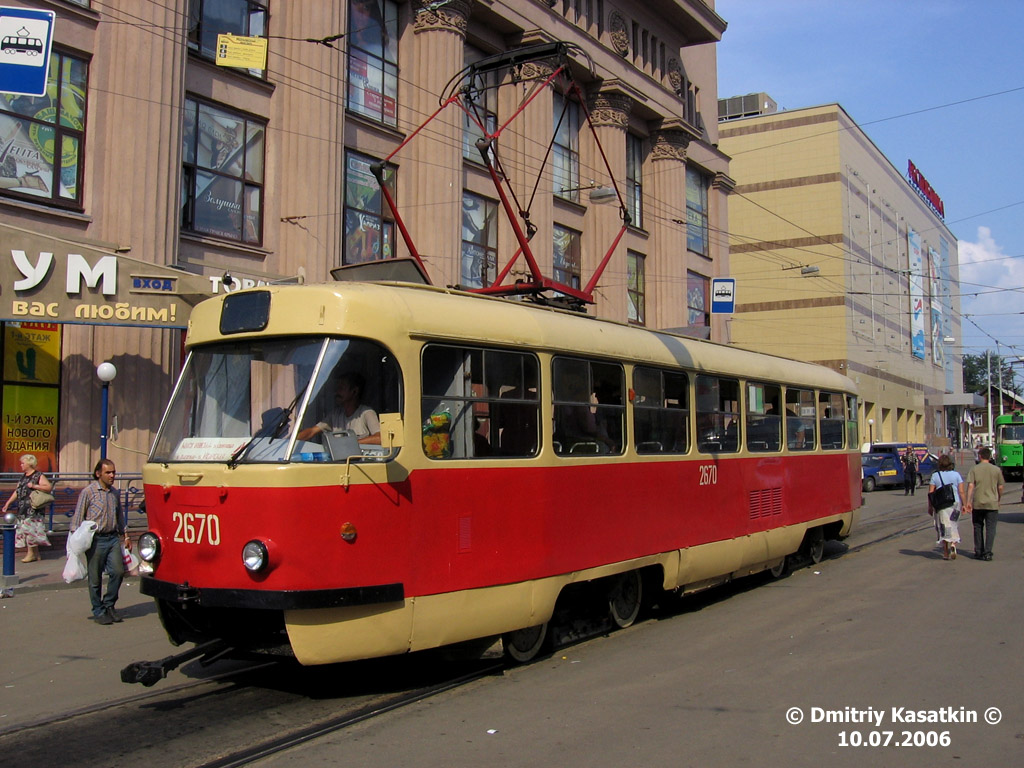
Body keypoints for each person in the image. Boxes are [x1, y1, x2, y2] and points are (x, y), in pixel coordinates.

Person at [70, 459, 129, 625]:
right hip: (95, 539)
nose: (112, 476)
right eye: (108, 473)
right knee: (95, 579)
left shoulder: (114, 493)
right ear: (98, 474)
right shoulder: (88, 492)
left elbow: (120, 517)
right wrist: (74, 542)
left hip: (112, 539)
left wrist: (125, 536)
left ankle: (109, 604)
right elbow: (77, 517)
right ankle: (98, 610)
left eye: (113, 472)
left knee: (118, 572)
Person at [297, 372, 381, 444]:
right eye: (337, 388)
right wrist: (290, 441)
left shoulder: (366, 413)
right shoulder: (335, 415)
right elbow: (312, 431)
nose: (337, 392)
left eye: (341, 388)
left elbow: (380, 438)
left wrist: (353, 443)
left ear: (354, 391)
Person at [1, 453, 52, 562]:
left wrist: (34, 486)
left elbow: (48, 487)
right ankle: (36, 554)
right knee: (28, 531)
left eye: (23, 463)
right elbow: (17, 491)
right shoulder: (23, 477)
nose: (21, 465)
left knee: (30, 531)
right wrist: (8, 503)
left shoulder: (38, 475)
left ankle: (30, 554)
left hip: (33, 508)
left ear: (29, 463)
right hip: (23, 508)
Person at [965, 447, 1004, 561]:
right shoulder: (996, 470)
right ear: (990, 456)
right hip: (992, 503)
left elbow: (971, 486)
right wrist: (999, 499)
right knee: (991, 528)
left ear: (980, 456)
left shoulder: (974, 469)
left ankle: (978, 551)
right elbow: (1000, 487)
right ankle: (987, 552)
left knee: (977, 526)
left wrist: (968, 502)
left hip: (978, 503)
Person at [928, 454, 965, 561]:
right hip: (956, 503)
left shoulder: (935, 476)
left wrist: (930, 507)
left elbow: (930, 493)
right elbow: (961, 491)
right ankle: (953, 543)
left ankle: (945, 552)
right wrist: (965, 504)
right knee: (953, 524)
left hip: (941, 505)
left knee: (944, 527)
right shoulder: (956, 475)